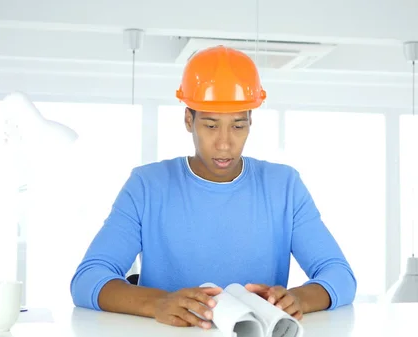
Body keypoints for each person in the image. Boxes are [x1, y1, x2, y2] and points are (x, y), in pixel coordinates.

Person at [70, 45, 356, 329]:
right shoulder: (146, 186)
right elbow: (88, 279)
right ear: (188, 120)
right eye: (210, 125)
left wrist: (298, 298)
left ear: (250, 122)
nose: (224, 143)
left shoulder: (284, 186)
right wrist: (157, 303)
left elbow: (339, 275)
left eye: (237, 126)